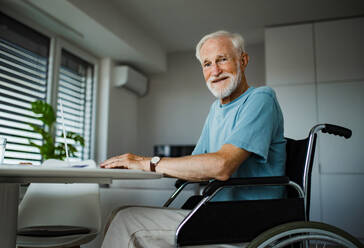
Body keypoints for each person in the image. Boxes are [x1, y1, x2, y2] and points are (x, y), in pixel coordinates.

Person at [100, 30, 286, 248]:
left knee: (126, 221)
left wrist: (147, 162)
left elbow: (222, 166)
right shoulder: (216, 109)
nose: (215, 71)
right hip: (216, 212)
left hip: (249, 218)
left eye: (222, 60)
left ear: (243, 61)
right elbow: (198, 166)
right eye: (207, 64)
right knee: (119, 214)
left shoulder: (261, 99)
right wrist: (139, 166)